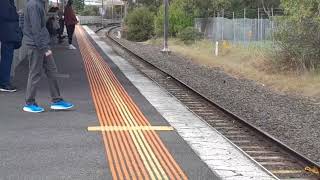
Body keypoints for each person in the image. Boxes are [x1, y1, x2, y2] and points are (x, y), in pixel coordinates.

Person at [23, 0, 74, 113]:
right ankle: (29, 103)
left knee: (52, 71)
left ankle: (57, 100)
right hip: (37, 46)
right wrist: (44, 48)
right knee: (35, 73)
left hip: (41, 44)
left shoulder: (38, 4)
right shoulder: (34, 5)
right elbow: (36, 29)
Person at [0, 0, 23, 92]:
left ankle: (4, 82)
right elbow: (5, 14)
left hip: (7, 32)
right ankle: (4, 83)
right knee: (7, 58)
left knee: (7, 58)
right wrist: (17, 14)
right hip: (7, 33)